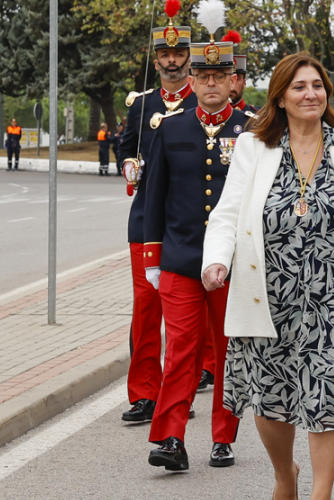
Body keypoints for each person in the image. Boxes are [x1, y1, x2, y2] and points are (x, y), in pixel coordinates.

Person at [202, 52, 334, 500]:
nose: (310, 93)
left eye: (317, 85)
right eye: (299, 86)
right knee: (271, 402)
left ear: (327, 94)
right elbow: (227, 215)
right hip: (268, 298)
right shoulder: (253, 148)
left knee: (329, 401)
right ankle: (284, 476)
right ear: (280, 97)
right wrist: (216, 260)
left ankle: (321, 493)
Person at [141, 5, 245, 471]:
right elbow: (153, 195)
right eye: (202, 74)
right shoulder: (171, 127)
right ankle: (171, 439)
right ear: (193, 76)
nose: (209, 83)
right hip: (182, 260)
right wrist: (152, 258)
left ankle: (223, 436)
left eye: (219, 75)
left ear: (232, 81)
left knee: (227, 353)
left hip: (236, 265)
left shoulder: (253, 131)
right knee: (180, 350)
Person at [116, 1, 198, 425]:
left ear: (188, 56)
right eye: (164, 55)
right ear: (157, 57)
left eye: (178, 54)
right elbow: (125, 146)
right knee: (146, 309)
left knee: (185, 314)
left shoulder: (202, 104)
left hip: (186, 223)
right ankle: (145, 393)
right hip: (146, 221)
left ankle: (182, 388)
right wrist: (128, 163)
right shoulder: (141, 104)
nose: (170, 61)